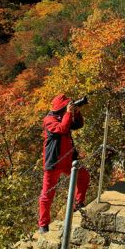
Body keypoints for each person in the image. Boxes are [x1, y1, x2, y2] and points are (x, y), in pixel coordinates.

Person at [38, 93, 90, 234]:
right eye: (66, 105)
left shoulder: (63, 117)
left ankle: (78, 204)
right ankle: (43, 224)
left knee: (83, 176)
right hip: (54, 163)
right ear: (60, 108)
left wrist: (76, 113)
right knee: (47, 194)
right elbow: (62, 129)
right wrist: (68, 113)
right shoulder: (49, 120)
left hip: (68, 160)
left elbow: (78, 125)